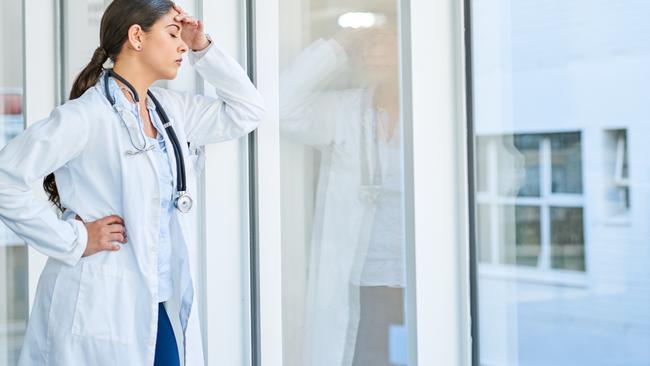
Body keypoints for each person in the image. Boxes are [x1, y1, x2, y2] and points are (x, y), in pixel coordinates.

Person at [0, 1, 265, 365]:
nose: (182, 46)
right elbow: (6, 180)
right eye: (173, 34)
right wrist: (75, 239)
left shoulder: (171, 111)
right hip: (99, 303)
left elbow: (248, 110)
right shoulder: (86, 116)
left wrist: (203, 45)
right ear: (137, 36)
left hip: (160, 300)